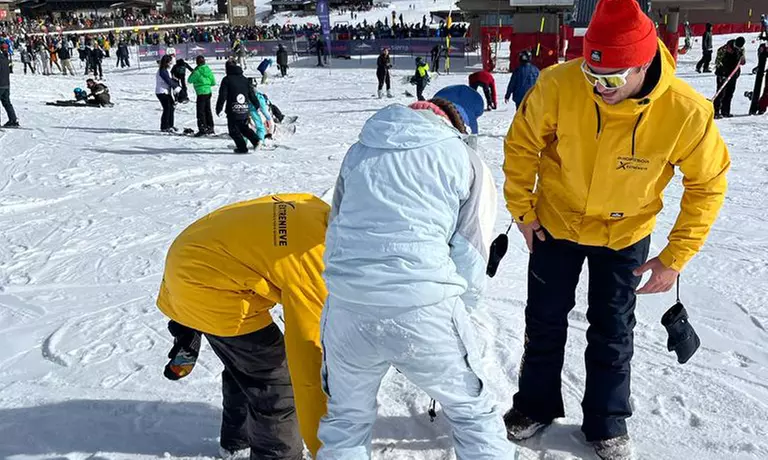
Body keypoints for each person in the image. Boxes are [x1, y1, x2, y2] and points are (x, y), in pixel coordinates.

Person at [501, 0, 730, 458]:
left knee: (613, 330)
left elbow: (707, 183)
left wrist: (675, 257)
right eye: (591, 73)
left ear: (643, 65)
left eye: (610, 79)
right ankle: (534, 405)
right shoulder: (559, 84)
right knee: (543, 320)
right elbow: (522, 145)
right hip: (557, 224)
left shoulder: (685, 111)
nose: (597, 87)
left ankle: (606, 423)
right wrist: (523, 211)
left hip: (625, 235)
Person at [317, 94, 513, 459]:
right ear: (455, 126)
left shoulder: (358, 151)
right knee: (473, 415)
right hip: (425, 309)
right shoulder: (462, 157)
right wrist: (465, 311)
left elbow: (336, 225)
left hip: (347, 311)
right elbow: (470, 252)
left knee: (346, 422)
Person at [156, 193, 329, 460]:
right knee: (276, 380)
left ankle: (238, 441)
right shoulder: (312, 263)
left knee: (246, 364)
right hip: (207, 284)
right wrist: (330, 450)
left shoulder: (315, 207)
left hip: (194, 250)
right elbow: (307, 364)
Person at [216, 61, 263, 153]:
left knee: (233, 130)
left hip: (233, 109)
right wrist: (257, 105)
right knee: (243, 128)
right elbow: (251, 94)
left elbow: (222, 95)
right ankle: (256, 141)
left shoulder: (227, 79)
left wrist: (219, 108)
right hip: (244, 108)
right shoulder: (244, 79)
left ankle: (242, 148)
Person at [714, 36, 746, 119]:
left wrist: (742, 60)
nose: (737, 49)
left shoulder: (741, 49)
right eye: (736, 47)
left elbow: (742, 61)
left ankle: (725, 111)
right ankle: (716, 111)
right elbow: (718, 62)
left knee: (729, 93)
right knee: (721, 93)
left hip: (733, 74)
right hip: (723, 74)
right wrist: (722, 73)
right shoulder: (724, 49)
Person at [188, 55, 216, 137]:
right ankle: (210, 127)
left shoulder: (197, 71)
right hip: (208, 92)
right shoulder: (208, 70)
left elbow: (189, 80)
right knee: (208, 110)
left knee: (201, 112)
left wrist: (194, 71)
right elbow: (213, 82)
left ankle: (202, 128)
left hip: (201, 93)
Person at [155, 54, 179, 132]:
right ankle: (164, 126)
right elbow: (167, 80)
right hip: (161, 92)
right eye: (170, 62)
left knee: (171, 107)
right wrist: (175, 86)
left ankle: (170, 125)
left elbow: (170, 79)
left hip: (166, 92)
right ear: (166, 62)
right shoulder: (162, 70)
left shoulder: (166, 70)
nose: (171, 63)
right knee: (167, 108)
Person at [246, 78, 272, 142]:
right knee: (260, 127)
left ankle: (243, 142)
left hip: (247, 112)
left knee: (246, 127)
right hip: (254, 112)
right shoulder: (258, 96)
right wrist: (269, 118)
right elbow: (264, 111)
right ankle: (261, 140)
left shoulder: (244, 93)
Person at [0, 43, 19, 127]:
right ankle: (13, 119)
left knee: (6, 102)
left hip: (0, 84)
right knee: (7, 102)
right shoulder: (6, 58)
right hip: (6, 84)